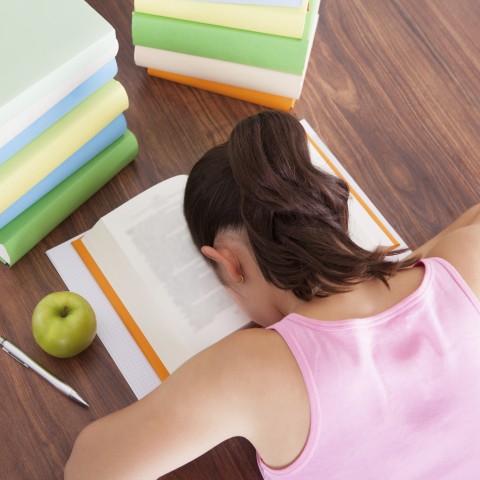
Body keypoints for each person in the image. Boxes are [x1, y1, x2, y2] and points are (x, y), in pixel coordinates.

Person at [64, 111, 480, 480]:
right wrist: (411, 263)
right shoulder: (466, 261)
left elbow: (89, 469)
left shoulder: (250, 370)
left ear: (228, 264)